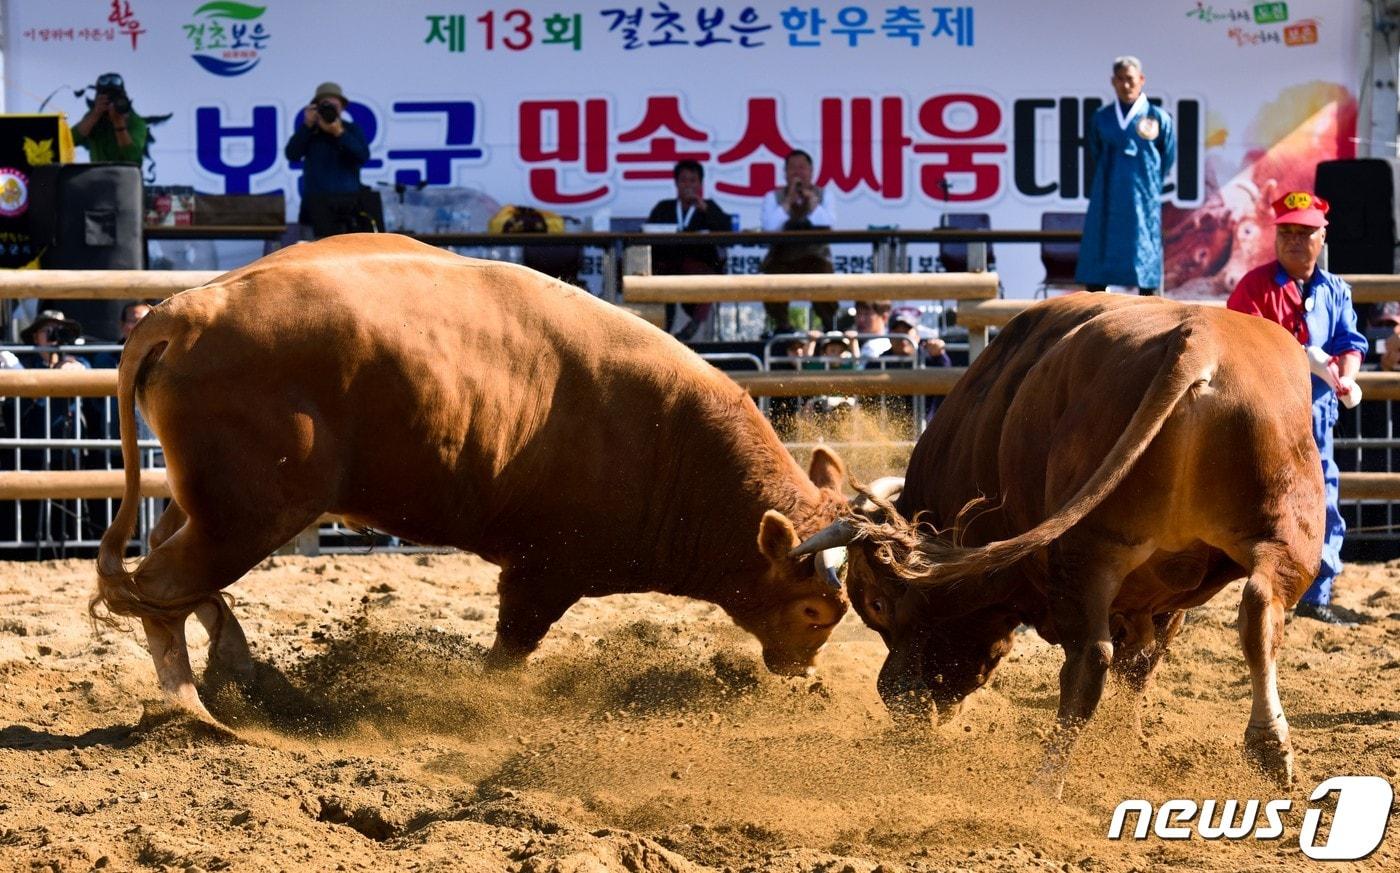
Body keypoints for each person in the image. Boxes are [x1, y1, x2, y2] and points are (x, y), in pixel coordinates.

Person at [1227, 191, 1368, 626]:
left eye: (1304, 233)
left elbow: (1350, 342)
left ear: (1322, 237)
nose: (1293, 240)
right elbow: (1236, 343)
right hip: (1265, 416)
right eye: (1285, 232)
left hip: (1318, 418)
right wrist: (1296, 353)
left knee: (1322, 501)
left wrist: (1347, 375)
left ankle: (1316, 594)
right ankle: (1258, 591)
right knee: (1255, 502)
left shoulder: (1335, 290)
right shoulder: (1253, 286)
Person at [1076, 56, 1176, 295]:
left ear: (1141, 80)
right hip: (1107, 197)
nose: (1126, 85)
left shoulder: (1157, 117)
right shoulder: (1102, 117)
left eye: (1130, 79)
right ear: (1113, 82)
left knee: (1144, 257)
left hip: (1143, 200)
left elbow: (1167, 157)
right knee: (1100, 254)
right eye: (1120, 80)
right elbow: (1095, 151)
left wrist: (1148, 183)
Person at [645, 159, 733, 341]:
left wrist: (706, 210)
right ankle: (659, 335)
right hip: (666, 266)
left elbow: (727, 230)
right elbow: (647, 232)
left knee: (706, 280)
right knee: (658, 282)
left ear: (701, 184)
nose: (688, 186)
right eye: (684, 180)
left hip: (699, 265)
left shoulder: (708, 207)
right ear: (676, 183)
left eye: (693, 181)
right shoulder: (664, 207)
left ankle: (694, 325)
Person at [760, 149, 838, 334]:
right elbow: (769, 227)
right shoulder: (774, 197)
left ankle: (830, 328)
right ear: (785, 173)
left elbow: (828, 224)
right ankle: (782, 327)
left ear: (811, 172)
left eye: (802, 168)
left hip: (815, 256)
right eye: (792, 168)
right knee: (771, 280)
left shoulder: (824, 195)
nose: (797, 172)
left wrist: (812, 203)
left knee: (823, 279)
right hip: (782, 258)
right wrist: (788, 202)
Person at [284, 82, 371, 238]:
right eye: (325, 105)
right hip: (315, 204)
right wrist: (307, 125)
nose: (330, 109)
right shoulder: (310, 131)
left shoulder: (351, 130)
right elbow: (292, 154)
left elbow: (362, 156)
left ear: (342, 108)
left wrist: (339, 133)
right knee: (311, 253)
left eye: (334, 105)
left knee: (349, 252)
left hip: (348, 206)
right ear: (316, 108)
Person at [71, 72, 147, 164]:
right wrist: (95, 114)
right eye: (106, 97)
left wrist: (119, 124)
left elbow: (133, 157)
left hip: (124, 176)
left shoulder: (135, 121)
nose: (112, 102)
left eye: (116, 97)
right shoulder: (92, 117)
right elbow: (70, 140)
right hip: (97, 175)